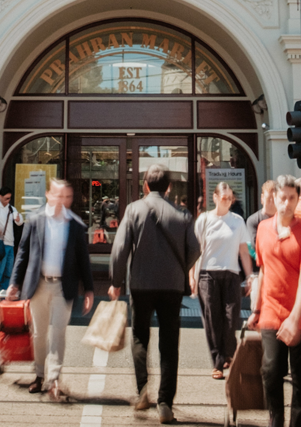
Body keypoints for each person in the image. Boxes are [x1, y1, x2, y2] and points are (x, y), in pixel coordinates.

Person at [109, 164, 201, 425]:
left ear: (145, 185)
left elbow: (120, 249)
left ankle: (142, 389)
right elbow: (195, 248)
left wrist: (117, 281)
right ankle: (165, 403)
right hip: (171, 286)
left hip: (140, 284)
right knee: (169, 344)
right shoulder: (182, 214)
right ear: (169, 187)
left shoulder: (134, 209)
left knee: (139, 335)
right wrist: (180, 268)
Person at [7, 178, 94, 403]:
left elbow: (83, 260)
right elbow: (23, 253)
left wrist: (90, 289)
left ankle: (54, 379)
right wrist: (14, 284)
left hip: (63, 287)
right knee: (39, 333)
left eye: (67, 196)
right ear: (48, 194)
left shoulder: (75, 224)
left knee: (58, 333)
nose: (63, 200)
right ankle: (39, 375)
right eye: (59, 195)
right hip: (39, 285)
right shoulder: (35, 220)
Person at [248, 174, 301, 427]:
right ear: (274, 197)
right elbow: (263, 271)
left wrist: (295, 318)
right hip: (272, 310)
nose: (288, 203)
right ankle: (276, 422)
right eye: (283, 197)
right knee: (270, 371)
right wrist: (256, 309)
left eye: (293, 198)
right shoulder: (262, 229)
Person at [192, 182, 253, 378]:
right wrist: (192, 276)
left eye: (230, 198)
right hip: (207, 274)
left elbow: (243, 251)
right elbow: (196, 251)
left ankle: (229, 354)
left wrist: (250, 276)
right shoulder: (204, 219)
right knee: (212, 319)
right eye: (224, 197)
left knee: (231, 317)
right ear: (215, 198)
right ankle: (218, 361)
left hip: (231, 274)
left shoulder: (237, 221)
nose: (227, 200)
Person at [247, 180, 277, 269]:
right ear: (262, 198)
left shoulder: (285, 219)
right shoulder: (253, 220)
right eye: (268, 199)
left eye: (274, 199)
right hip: (260, 267)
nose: (271, 203)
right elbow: (255, 245)